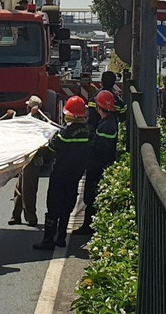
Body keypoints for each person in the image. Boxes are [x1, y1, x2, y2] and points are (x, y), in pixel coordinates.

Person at [34, 95, 92, 250]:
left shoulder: (65, 133)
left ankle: (48, 240)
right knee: (67, 206)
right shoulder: (86, 132)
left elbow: (52, 149)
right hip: (75, 176)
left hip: (60, 175)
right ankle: (61, 238)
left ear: (70, 114)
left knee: (53, 207)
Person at [79, 90, 122, 235]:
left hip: (97, 167)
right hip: (99, 166)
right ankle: (89, 224)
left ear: (99, 107)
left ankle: (88, 226)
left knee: (91, 196)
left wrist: (88, 144)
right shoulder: (108, 122)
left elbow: (100, 148)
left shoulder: (105, 126)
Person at [10, 96, 53, 226]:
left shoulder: (41, 121)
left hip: (33, 160)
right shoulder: (28, 119)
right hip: (24, 158)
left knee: (29, 189)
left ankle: (31, 217)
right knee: (19, 188)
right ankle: (16, 216)